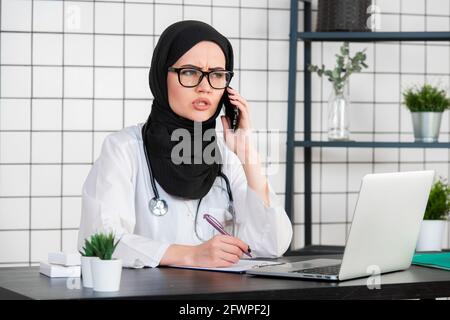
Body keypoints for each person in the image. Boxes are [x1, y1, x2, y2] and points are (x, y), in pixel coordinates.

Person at [77, 20, 292, 268]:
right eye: (190, 72)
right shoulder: (124, 149)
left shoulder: (227, 155)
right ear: (161, 75)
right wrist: (190, 255)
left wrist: (247, 154)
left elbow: (272, 245)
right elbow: (100, 242)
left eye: (217, 75)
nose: (205, 87)